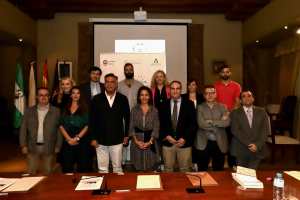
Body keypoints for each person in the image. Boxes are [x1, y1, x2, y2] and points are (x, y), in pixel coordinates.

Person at [90, 73, 130, 173]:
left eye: (112, 82)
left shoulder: (123, 99)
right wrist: (93, 138)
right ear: (104, 84)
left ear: (116, 84)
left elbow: (128, 118)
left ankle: (117, 188)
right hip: (100, 140)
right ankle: (104, 188)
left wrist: (126, 136)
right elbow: (92, 119)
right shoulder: (96, 99)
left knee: (117, 168)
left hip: (117, 139)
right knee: (102, 169)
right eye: (107, 82)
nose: (109, 84)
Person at [19, 87, 62, 173]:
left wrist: (58, 146)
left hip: (49, 147)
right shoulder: (29, 111)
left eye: (46, 95)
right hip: (32, 146)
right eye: (41, 95)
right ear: (37, 97)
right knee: (30, 172)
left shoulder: (56, 111)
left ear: (49, 97)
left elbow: (59, 130)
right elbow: (23, 128)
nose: (43, 97)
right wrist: (23, 144)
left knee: (48, 171)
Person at [160, 81, 197, 172]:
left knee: (185, 169)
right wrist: (166, 136)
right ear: (169, 90)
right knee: (167, 169)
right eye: (173, 88)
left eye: (177, 88)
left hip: (184, 143)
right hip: (168, 143)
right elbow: (159, 123)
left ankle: (183, 186)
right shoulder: (163, 104)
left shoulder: (189, 104)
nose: (175, 91)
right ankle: (169, 186)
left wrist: (185, 138)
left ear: (181, 90)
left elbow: (193, 123)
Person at [230, 90, 269, 170]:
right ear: (240, 100)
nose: (247, 98)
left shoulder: (261, 111)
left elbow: (265, 130)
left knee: (253, 176)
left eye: (249, 96)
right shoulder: (235, 112)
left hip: (258, 149)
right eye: (243, 96)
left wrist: (257, 145)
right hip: (241, 149)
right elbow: (235, 131)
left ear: (253, 98)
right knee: (242, 176)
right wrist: (250, 145)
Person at [195, 85, 230, 171]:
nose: (210, 95)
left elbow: (226, 123)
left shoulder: (223, 107)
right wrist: (218, 123)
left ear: (216, 94)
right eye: (207, 93)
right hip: (203, 142)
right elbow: (201, 124)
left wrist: (210, 121)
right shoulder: (199, 107)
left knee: (219, 171)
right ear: (204, 95)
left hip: (219, 143)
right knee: (202, 170)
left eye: (212, 93)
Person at [213, 65, 241, 169]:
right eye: (223, 72)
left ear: (230, 73)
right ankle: (218, 164)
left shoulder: (236, 86)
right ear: (220, 74)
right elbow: (212, 101)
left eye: (227, 72)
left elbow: (238, 102)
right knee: (218, 140)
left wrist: (228, 112)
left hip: (232, 117)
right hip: (219, 118)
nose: (225, 74)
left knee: (231, 141)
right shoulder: (214, 86)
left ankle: (231, 164)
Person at [117, 63, 143, 168]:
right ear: (124, 71)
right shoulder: (118, 85)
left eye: (130, 69)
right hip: (122, 117)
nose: (129, 71)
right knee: (123, 139)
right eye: (127, 70)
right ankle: (122, 162)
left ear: (133, 70)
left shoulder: (140, 85)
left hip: (136, 116)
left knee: (136, 139)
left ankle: (135, 162)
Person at [129, 86, 160, 172]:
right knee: (138, 169)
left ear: (150, 96)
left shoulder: (154, 110)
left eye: (146, 95)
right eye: (142, 95)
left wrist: (150, 142)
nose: (144, 97)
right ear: (139, 96)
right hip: (137, 141)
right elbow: (131, 126)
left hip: (150, 141)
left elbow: (156, 128)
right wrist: (135, 141)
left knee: (150, 168)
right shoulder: (134, 109)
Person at [59, 86, 89, 173]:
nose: (75, 95)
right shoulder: (64, 109)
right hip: (67, 139)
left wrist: (76, 138)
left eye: (78, 93)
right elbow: (61, 125)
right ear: (70, 95)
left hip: (81, 139)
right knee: (66, 166)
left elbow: (87, 126)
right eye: (73, 93)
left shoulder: (85, 110)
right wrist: (69, 139)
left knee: (82, 166)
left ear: (81, 95)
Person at [80, 66, 105, 172]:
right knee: (88, 141)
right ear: (89, 74)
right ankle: (89, 163)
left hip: (102, 118)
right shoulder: (83, 87)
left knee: (101, 141)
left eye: (98, 74)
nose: (95, 75)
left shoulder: (104, 86)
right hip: (87, 117)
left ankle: (100, 162)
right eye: (93, 73)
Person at [181, 79, 205, 171]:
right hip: (186, 125)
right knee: (186, 145)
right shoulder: (183, 97)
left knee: (197, 145)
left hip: (199, 125)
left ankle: (195, 163)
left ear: (196, 86)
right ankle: (185, 164)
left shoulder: (201, 97)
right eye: (189, 85)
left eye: (193, 85)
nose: (191, 86)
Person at [150, 70, 171, 171]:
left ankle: (164, 163)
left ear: (164, 78)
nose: (159, 78)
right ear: (155, 78)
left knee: (164, 143)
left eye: (161, 76)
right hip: (154, 119)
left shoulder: (169, 90)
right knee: (155, 143)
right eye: (157, 77)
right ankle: (156, 164)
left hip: (166, 119)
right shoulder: (151, 90)